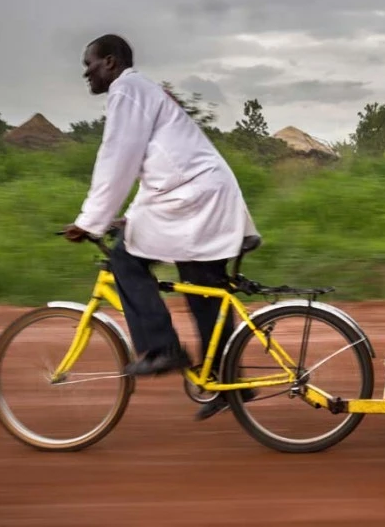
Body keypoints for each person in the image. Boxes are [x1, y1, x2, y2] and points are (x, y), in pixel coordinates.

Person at [62, 33, 256, 421]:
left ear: (110, 62)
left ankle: (161, 348)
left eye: (89, 64)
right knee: (205, 291)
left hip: (193, 199)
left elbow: (117, 160)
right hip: (199, 197)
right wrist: (128, 216)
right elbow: (153, 168)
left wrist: (89, 221)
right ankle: (229, 380)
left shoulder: (127, 90)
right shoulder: (143, 90)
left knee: (125, 260)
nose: (86, 73)